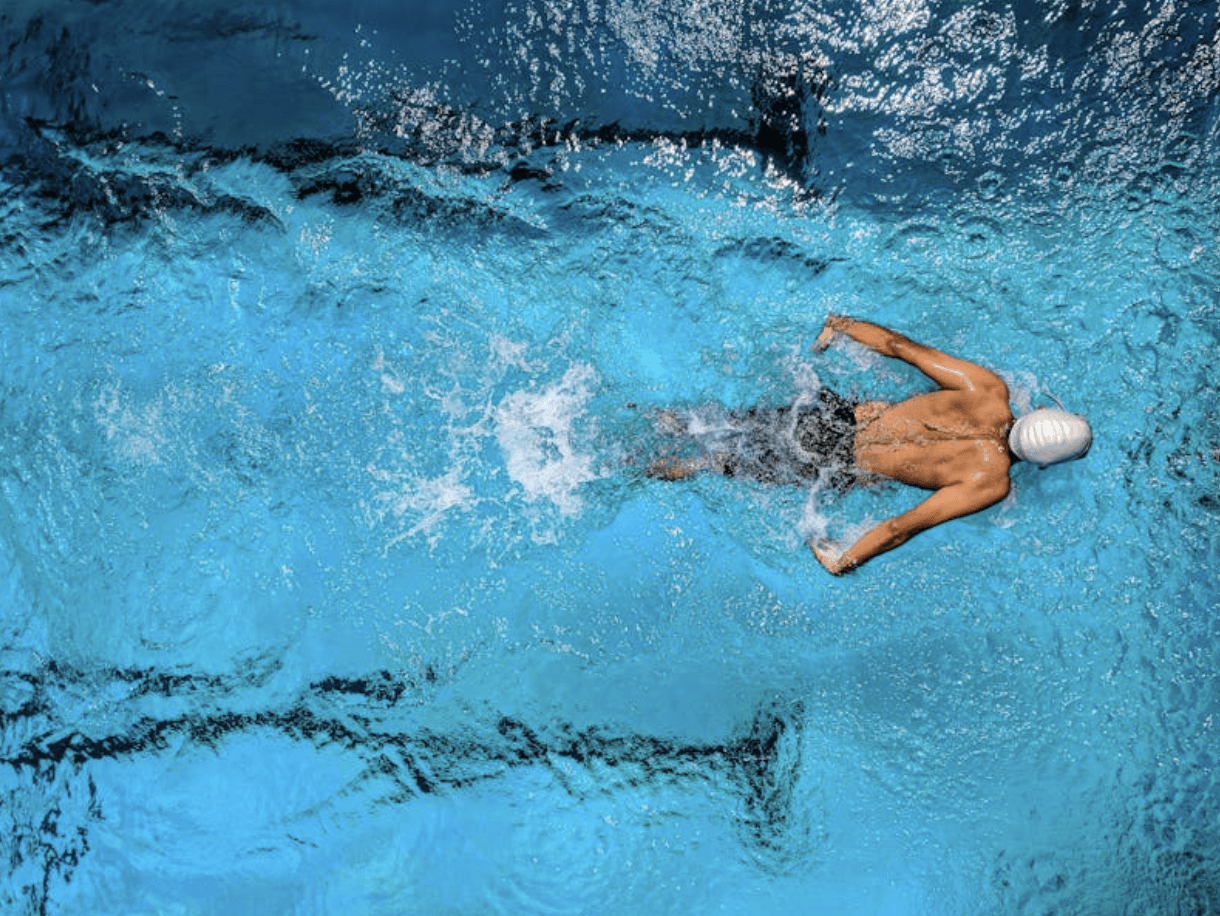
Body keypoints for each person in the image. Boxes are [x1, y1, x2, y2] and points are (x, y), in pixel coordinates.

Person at [646, 315, 1092, 574]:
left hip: (833, 417)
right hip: (837, 465)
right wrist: (845, 559)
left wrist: (840, 326)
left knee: (717, 423)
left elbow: (902, 347)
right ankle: (643, 468)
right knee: (718, 463)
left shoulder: (987, 389)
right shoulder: (989, 481)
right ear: (1044, 464)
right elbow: (903, 526)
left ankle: (652, 418)